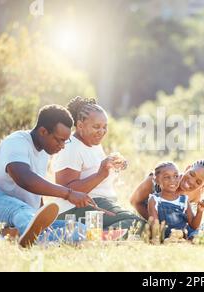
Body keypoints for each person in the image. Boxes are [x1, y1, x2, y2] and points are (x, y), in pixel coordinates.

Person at [0, 105, 94, 247]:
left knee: (79, 228)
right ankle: (40, 241)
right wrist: (68, 193)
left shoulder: (44, 152)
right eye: (59, 140)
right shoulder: (16, 142)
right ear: (43, 131)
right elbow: (25, 180)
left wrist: (40, 213)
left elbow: (36, 192)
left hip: (24, 213)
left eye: (65, 141)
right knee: (23, 212)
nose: (62, 146)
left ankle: (7, 236)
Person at [53, 96, 144, 231]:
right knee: (137, 225)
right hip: (76, 208)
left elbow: (97, 173)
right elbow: (67, 190)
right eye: (96, 127)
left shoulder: (93, 144)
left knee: (144, 227)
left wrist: (114, 165)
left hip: (101, 204)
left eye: (104, 127)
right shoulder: (70, 147)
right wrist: (101, 174)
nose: (101, 131)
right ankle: (94, 238)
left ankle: (95, 235)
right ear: (80, 125)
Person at [130, 160, 204, 220]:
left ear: (203, 186)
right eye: (191, 174)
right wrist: (155, 223)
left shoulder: (196, 193)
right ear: (188, 168)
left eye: (198, 182)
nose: (191, 181)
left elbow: (190, 218)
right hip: (144, 217)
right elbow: (134, 201)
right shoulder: (157, 179)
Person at [148, 162, 204, 238]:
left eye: (176, 176)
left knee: (195, 234)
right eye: (167, 177)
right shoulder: (154, 200)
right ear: (157, 180)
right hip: (164, 237)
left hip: (182, 237)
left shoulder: (184, 200)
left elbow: (193, 225)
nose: (172, 180)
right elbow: (155, 228)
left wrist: (200, 211)